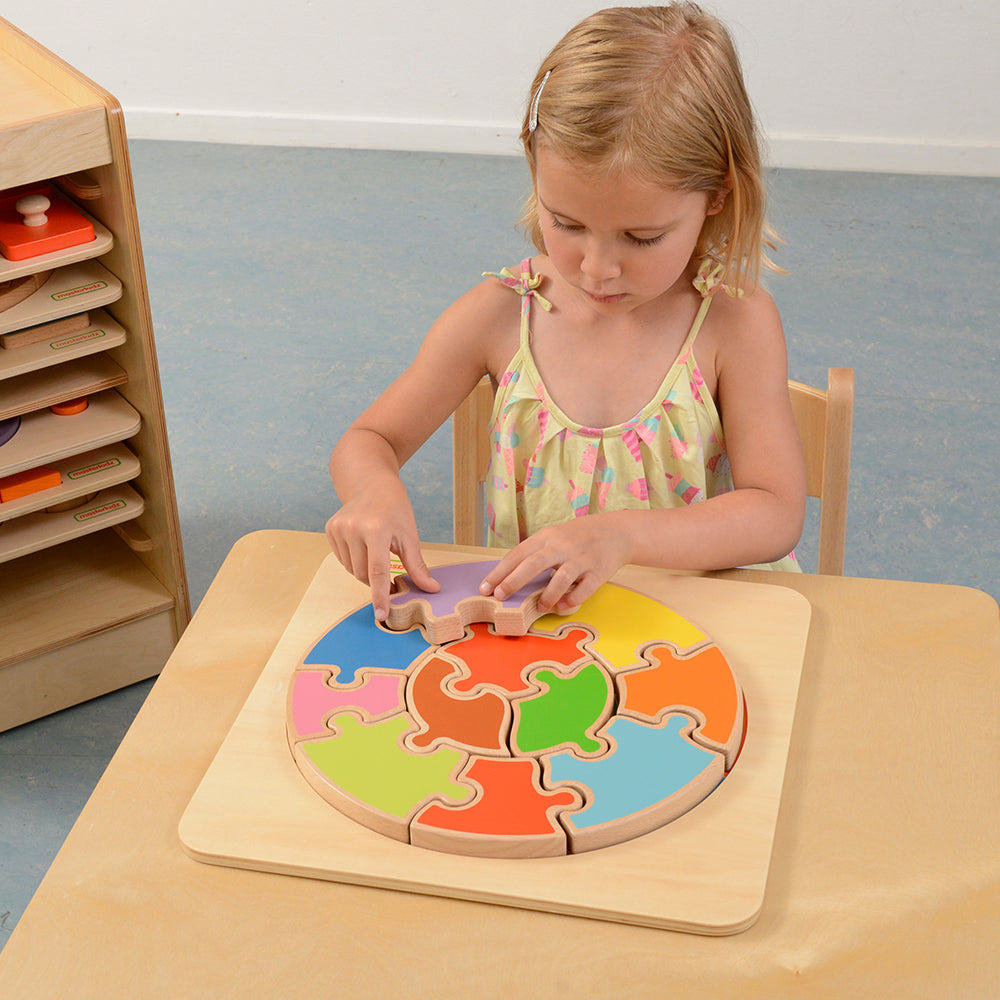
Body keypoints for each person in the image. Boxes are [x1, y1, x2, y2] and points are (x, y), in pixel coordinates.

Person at [327, 3, 805, 622]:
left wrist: (624, 536)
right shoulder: (500, 315)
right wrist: (373, 488)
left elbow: (775, 510)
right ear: (534, 169)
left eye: (641, 238)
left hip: (701, 625)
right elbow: (369, 439)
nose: (597, 268)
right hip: (544, 638)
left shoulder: (733, 321)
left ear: (718, 193)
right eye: (567, 223)